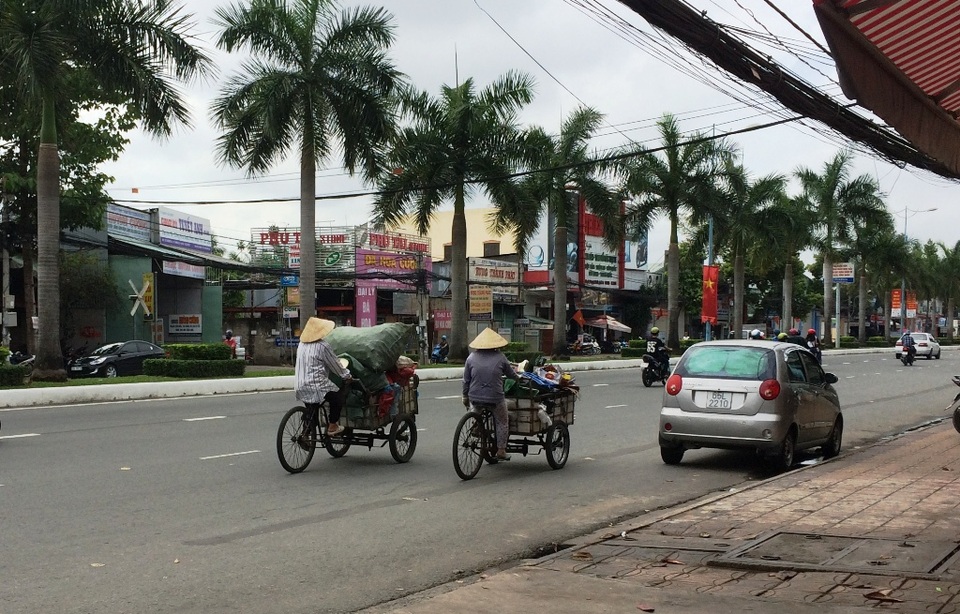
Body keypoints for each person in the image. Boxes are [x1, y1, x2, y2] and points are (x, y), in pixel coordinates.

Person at [462, 328, 518, 461]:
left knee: (476, 411)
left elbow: (466, 380)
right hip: (495, 398)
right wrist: (518, 378)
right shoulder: (500, 357)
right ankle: (501, 450)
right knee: (502, 421)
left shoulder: (471, 358)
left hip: (475, 397)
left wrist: (465, 396)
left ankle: (476, 427)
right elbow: (511, 374)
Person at [295, 317, 352, 436]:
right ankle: (332, 426)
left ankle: (305, 434)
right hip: (316, 385)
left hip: (300, 384)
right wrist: (347, 375)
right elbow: (335, 365)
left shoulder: (301, 344)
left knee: (312, 410)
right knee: (337, 397)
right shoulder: (323, 346)